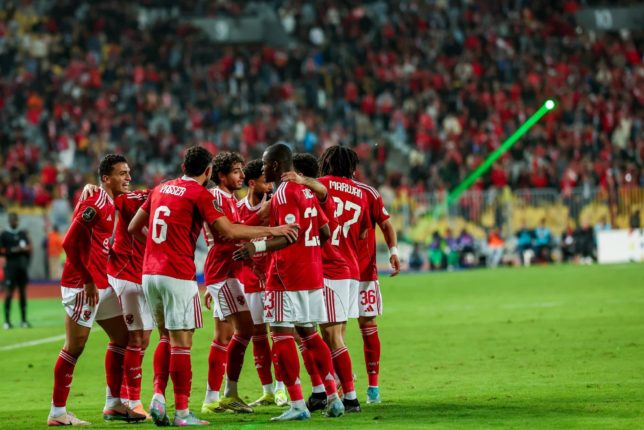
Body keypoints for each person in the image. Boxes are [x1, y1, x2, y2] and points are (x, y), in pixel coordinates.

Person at [128, 146, 297, 426]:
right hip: (181, 273)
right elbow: (228, 232)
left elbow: (134, 227)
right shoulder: (203, 194)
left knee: (167, 338)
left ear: (183, 166)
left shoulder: (161, 188)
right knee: (183, 343)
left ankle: (159, 395)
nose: (240, 175)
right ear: (209, 171)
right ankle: (185, 412)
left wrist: (159, 249)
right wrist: (272, 229)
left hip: (150, 273)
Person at [233, 142, 345, 421]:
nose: (262, 168)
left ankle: (296, 404)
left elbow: (290, 235)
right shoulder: (305, 190)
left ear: (275, 165)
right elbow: (324, 231)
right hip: (312, 275)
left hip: (285, 276)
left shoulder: (284, 193)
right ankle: (333, 397)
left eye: (264, 163)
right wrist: (308, 253)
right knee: (310, 335)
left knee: (281, 337)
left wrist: (256, 247)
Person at [48, 154, 146, 426]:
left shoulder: (108, 201)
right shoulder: (96, 203)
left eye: (128, 172)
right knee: (75, 347)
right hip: (83, 285)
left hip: (102, 284)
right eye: (122, 173)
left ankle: (113, 403)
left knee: (123, 337)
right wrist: (88, 280)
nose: (128, 177)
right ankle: (57, 413)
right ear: (106, 178)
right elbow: (69, 243)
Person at [288, 150, 365, 413]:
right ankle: (324, 391)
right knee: (326, 335)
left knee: (326, 336)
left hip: (329, 267)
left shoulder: (318, 185)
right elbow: (363, 232)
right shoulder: (360, 192)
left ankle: (348, 397)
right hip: (349, 267)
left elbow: (319, 217)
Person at [201, 152, 274, 414]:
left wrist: (253, 266)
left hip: (227, 271)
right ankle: (223, 394)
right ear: (221, 176)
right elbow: (231, 234)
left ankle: (217, 396)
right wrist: (265, 223)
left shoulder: (229, 198)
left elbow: (237, 239)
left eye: (242, 170)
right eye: (236, 171)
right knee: (243, 329)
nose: (241, 175)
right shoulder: (217, 197)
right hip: (221, 271)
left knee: (227, 335)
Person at [235, 159, 287, 407]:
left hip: (275, 277)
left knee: (282, 334)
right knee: (258, 334)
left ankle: (281, 387)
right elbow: (235, 240)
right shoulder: (237, 209)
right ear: (252, 183)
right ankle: (267, 390)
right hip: (250, 279)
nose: (270, 187)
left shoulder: (277, 205)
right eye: (266, 182)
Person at [353, 173, 400, 405]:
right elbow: (386, 224)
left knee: (350, 327)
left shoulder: (367, 193)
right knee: (342, 328)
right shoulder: (366, 192)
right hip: (343, 272)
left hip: (354, 271)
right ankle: (354, 385)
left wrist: (393, 251)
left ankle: (369, 386)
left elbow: (385, 224)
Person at [1, 212, 32, 329]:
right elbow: (2, 251)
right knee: (8, 293)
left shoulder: (22, 233)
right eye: (13, 220)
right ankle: (7, 321)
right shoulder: (4, 234)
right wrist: (14, 250)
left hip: (22, 267)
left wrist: (25, 249)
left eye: (16, 220)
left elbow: (29, 247)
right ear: (9, 221)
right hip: (10, 267)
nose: (15, 222)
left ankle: (24, 320)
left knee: (23, 293)